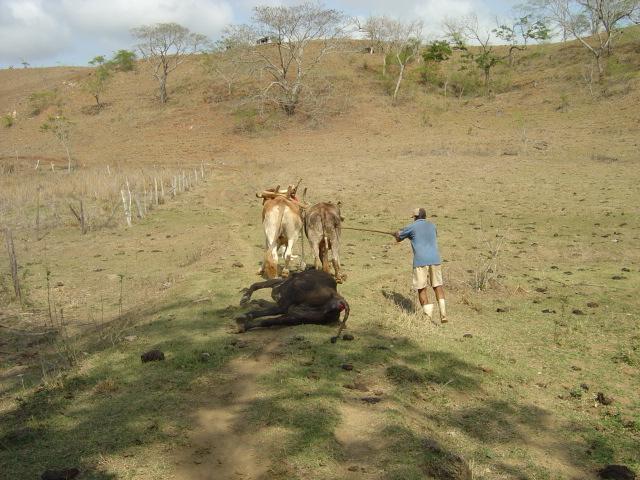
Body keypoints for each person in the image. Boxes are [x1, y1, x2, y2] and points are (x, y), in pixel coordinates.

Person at [394, 208, 447, 323]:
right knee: (438, 286)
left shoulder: (412, 227)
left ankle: (427, 318)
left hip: (420, 261)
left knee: (421, 288)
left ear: (415, 217)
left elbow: (399, 237)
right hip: (435, 259)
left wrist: (396, 234)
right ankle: (443, 314)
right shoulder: (432, 226)